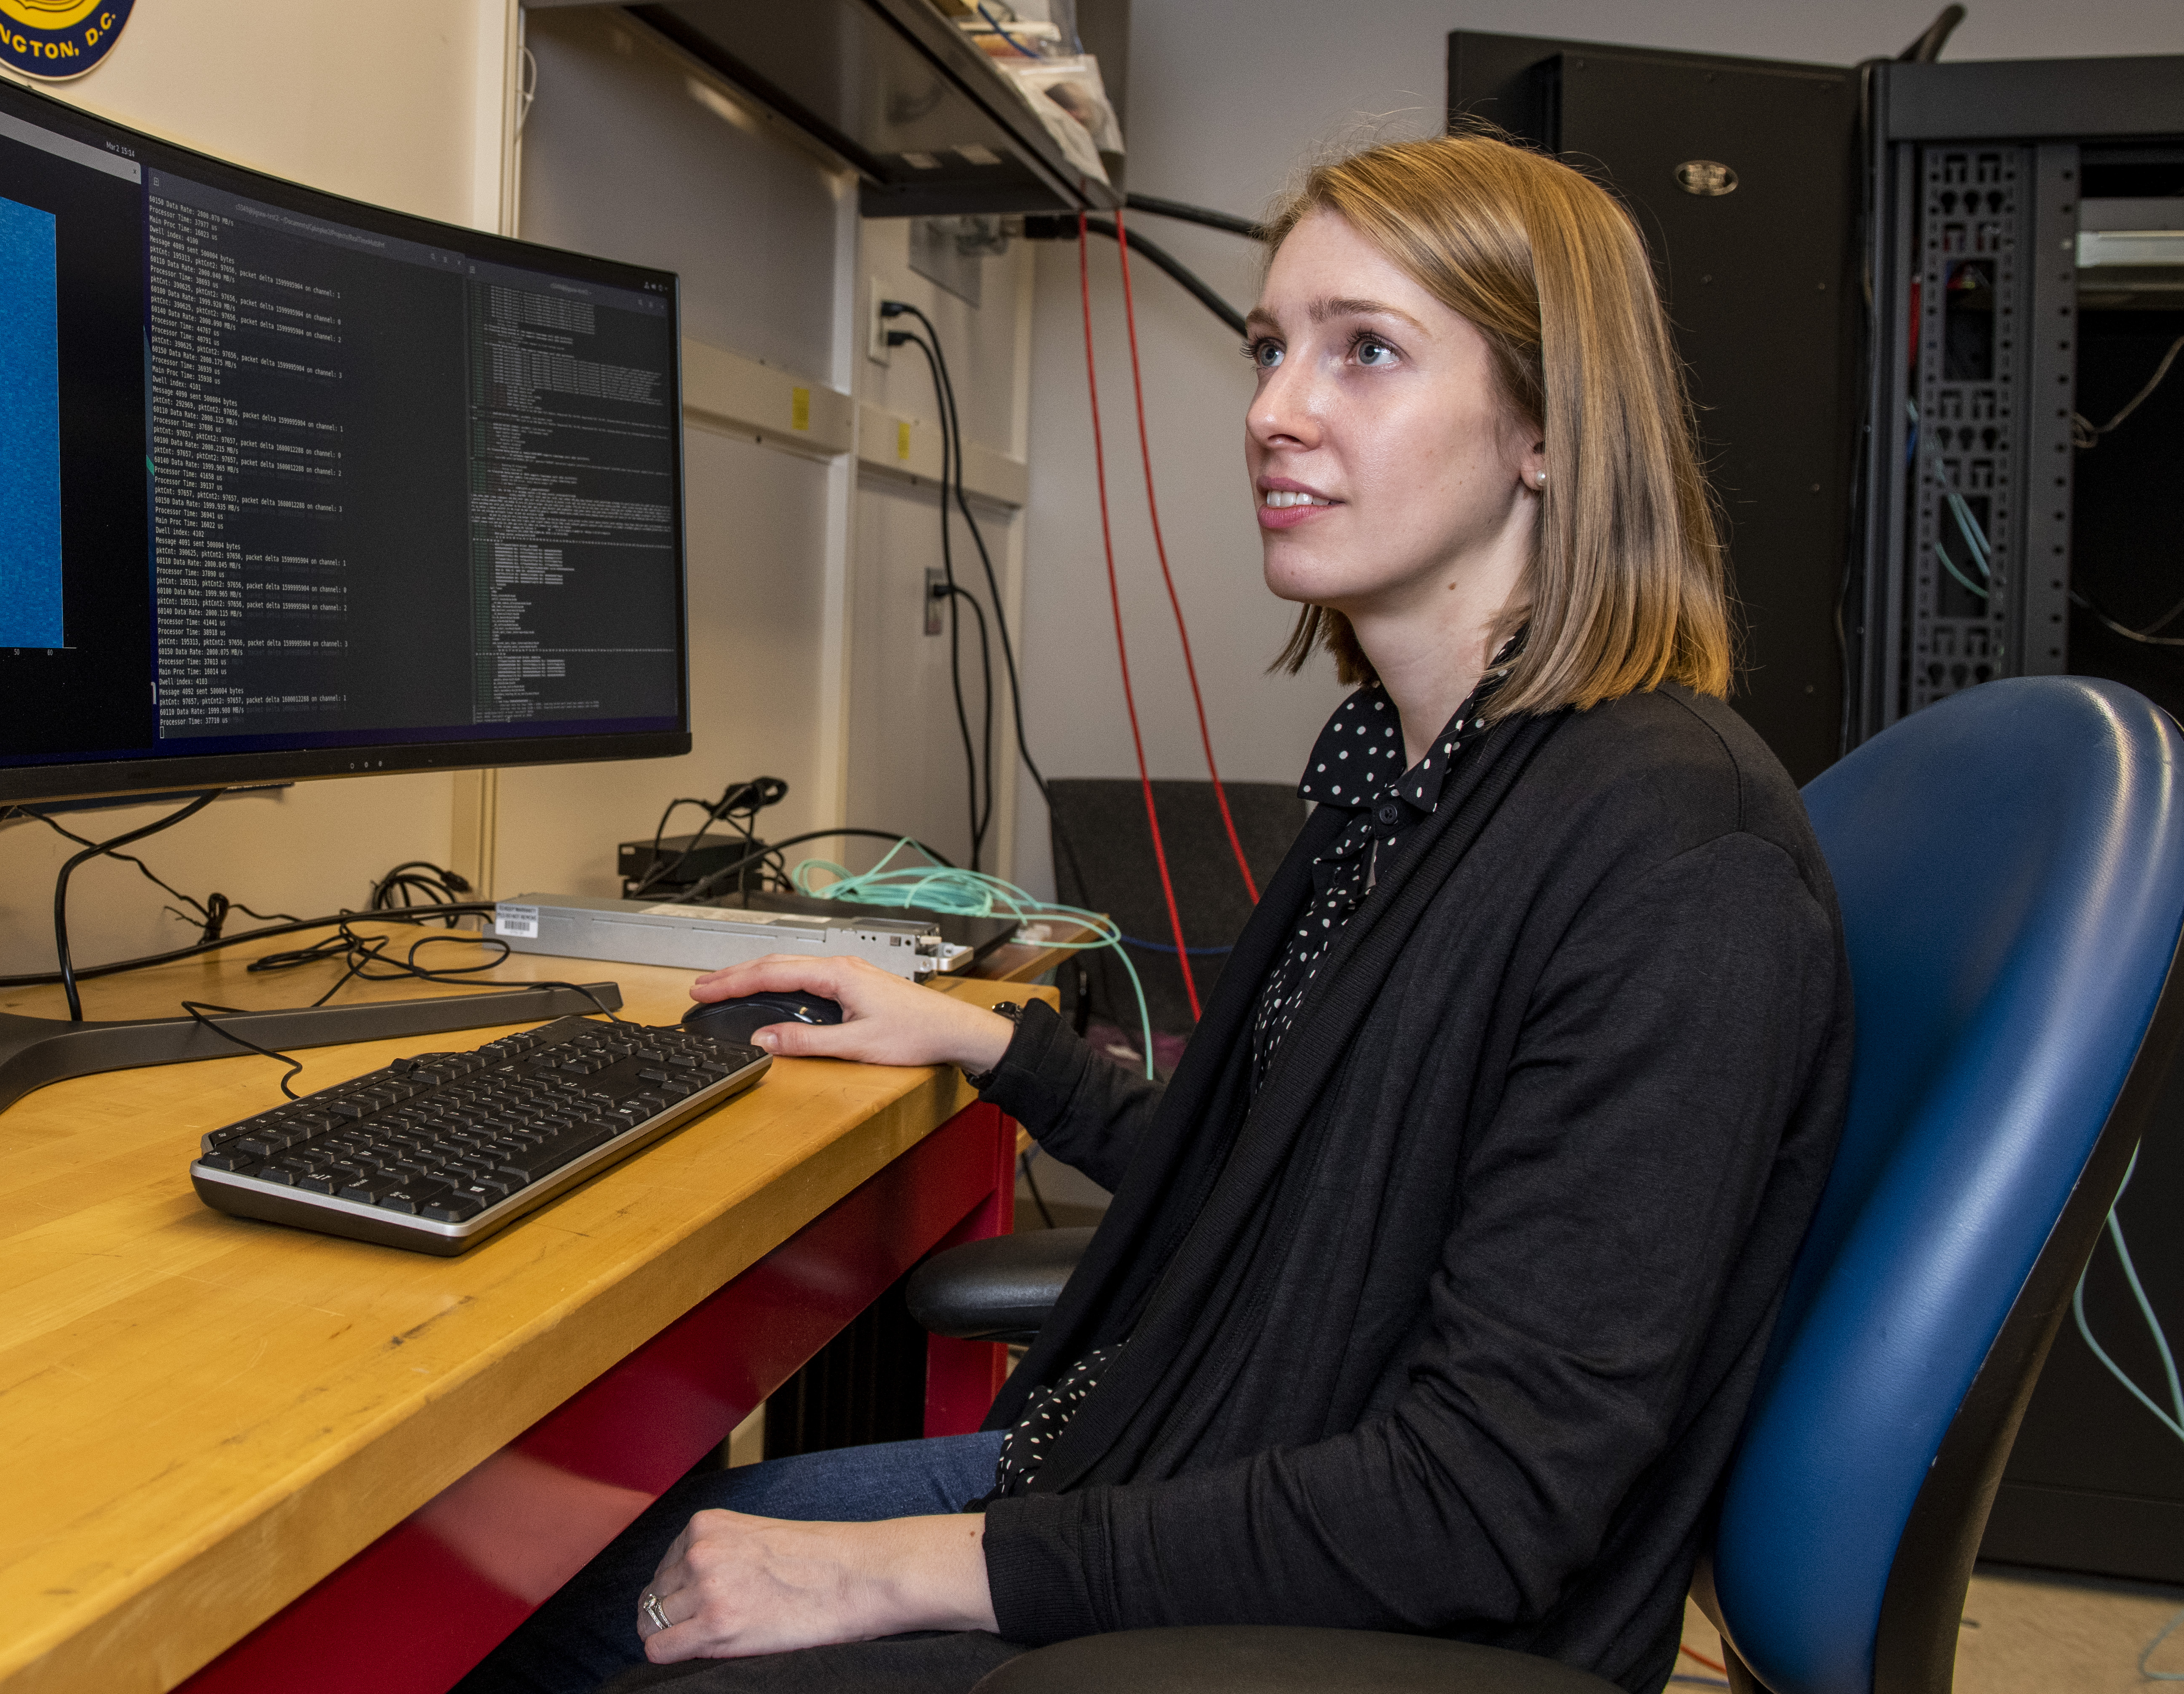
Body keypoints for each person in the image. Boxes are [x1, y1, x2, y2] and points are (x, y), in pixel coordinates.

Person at [456, 132, 1852, 1694]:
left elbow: (1485, 1503)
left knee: (536, 1646)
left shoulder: (1670, 855)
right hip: (1160, 1477)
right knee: (527, 1601)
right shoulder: (1419, 783)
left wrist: (904, 1566)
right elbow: (1284, 1176)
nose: (1273, 410)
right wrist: (992, 1045)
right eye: (1270, 348)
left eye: (1365, 351)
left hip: (1320, 1627)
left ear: (1546, 427)